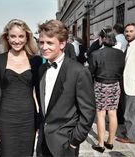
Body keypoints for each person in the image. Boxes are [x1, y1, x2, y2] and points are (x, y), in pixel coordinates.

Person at [36, 19, 96, 157]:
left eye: (50, 43)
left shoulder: (78, 71)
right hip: (43, 142)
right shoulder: (41, 69)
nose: (44, 47)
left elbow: (88, 112)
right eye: (41, 42)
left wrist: (74, 141)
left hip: (65, 144)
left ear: (62, 44)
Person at [0, 19, 42, 157]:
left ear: (27, 37)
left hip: (28, 118)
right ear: (7, 37)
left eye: (21, 36)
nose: (17, 40)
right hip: (5, 119)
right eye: (13, 36)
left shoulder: (35, 60)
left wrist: (40, 121)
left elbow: (40, 93)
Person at [88, 30, 125, 153]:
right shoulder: (120, 54)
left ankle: (100, 144)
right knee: (113, 113)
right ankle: (110, 142)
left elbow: (91, 72)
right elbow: (122, 69)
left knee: (101, 114)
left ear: (103, 39)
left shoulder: (96, 54)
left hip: (100, 85)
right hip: (115, 84)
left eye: (100, 37)